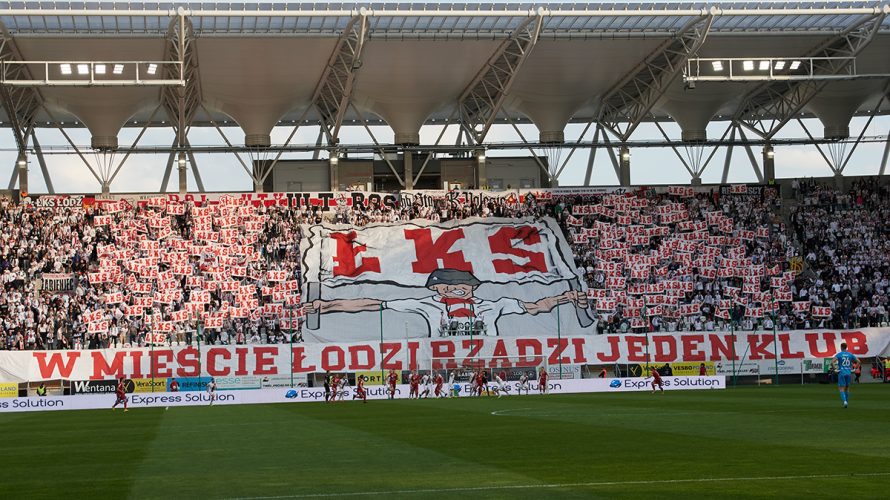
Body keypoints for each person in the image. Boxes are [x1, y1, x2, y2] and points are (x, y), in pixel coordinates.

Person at [833, 342, 859, 408]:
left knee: (841, 388)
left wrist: (835, 369)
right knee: (847, 388)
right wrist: (854, 369)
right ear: (846, 347)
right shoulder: (850, 354)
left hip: (841, 372)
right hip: (848, 372)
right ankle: (847, 402)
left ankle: (844, 401)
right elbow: (859, 361)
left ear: (841, 347)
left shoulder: (839, 354)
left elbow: (832, 362)